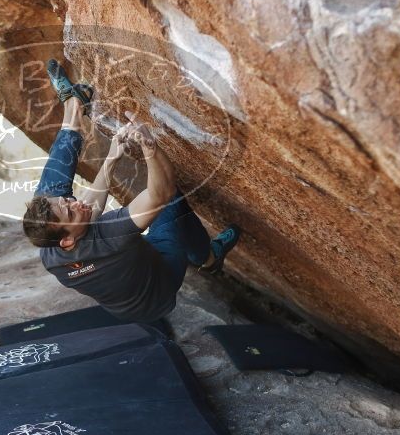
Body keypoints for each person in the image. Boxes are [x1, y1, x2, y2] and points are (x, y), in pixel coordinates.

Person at [23, 60, 240, 324]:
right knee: (169, 198)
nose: (74, 202)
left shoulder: (51, 250)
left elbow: (89, 207)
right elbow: (159, 194)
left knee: (50, 193)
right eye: (70, 210)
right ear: (68, 241)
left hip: (125, 276)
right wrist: (150, 149)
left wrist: (111, 160)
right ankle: (207, 258)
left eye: (68, 202)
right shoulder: (109, 235)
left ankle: (73, 106)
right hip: (158, 287)